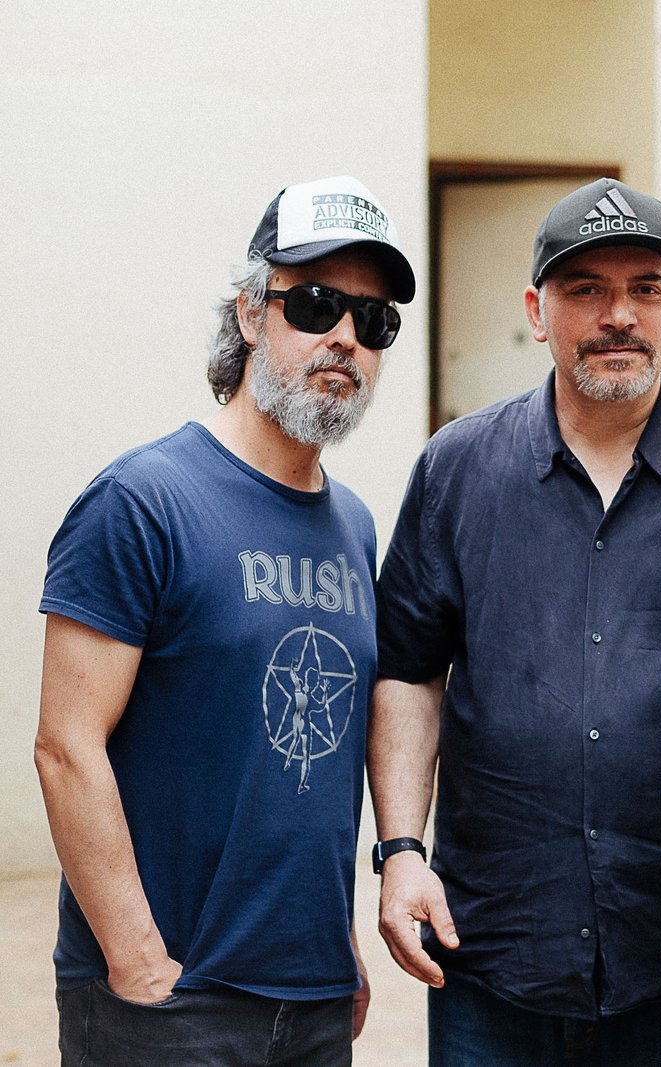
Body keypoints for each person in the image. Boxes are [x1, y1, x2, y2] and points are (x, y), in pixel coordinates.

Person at [369, 177, 661, 1066]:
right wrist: (400, 850)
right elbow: (409, 671)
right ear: (535, 311)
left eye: (646, 288)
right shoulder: (457, 469)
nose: (619, 314)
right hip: (493, 954)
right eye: (586, 288)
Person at [35, 174, 415, 1066]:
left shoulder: (354, 525)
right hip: (169, 1001)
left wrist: (333, 944)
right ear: (250, 312)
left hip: (314, 997)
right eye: (315, 304)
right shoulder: (142, 501)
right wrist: (136, 959)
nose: (345, 337)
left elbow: (313, 766)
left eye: (373, 320)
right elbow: (64, 746)